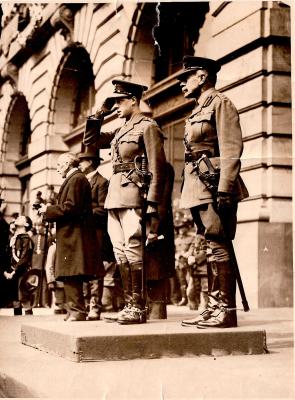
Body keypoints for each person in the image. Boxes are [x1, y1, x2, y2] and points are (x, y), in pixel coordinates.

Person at [83, 79, 166, 324]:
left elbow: (157, 168)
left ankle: (138, 306)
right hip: (114, 197)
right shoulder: (121, 130)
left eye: (120, 101)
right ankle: (130, 304)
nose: (116, 106)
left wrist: (152, 202)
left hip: (133, 195)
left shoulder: (147, 126)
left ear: (133, 100)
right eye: (114, 102)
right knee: (120, 251)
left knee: (132, 247)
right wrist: (100, 112)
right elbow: (91, 141)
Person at [177, 56, 249, 328]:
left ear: (203, 76)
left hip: (214, 184)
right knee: (209, 245)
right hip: (198, 184)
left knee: (218, 243)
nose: (182, 83)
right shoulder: (196, 110)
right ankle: (212, 306)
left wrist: (225, 189)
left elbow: (231, 150)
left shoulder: (221, 104)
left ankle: (226, 310)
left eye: (187, 77)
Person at [37, 152, 97, 321]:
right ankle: (74, 310)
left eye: (58, 166)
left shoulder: (76, 179)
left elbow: (71, 207)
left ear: (67, 164)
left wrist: (48, 210)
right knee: (70, 273)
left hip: (74, 235)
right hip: (72, 234)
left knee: (72, 273)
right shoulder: (76, 179)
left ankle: (77, 311)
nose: (57, 170)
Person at [78, 150, 116, 321]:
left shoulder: (102, 182)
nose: (80, 164)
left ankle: (95, 306)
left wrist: (82, 213)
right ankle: (85, 305)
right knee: (84, 269)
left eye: (83, 161)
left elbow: (103, 209)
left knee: (95, 271)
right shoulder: (81, 181)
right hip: (83, 232)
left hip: (96, 233)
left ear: (91, 162)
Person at [3, 215, 34, 315]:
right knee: (14, 297)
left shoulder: (26, 239)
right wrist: (6, 271)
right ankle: (17, 319)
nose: (17, 219)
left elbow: (24, 258)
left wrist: (14, 271)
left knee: (23, 296)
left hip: (22, 272)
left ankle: (29, 319)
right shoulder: (14, 238)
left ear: (26, 224)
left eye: (21, 218)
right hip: (13, 271)